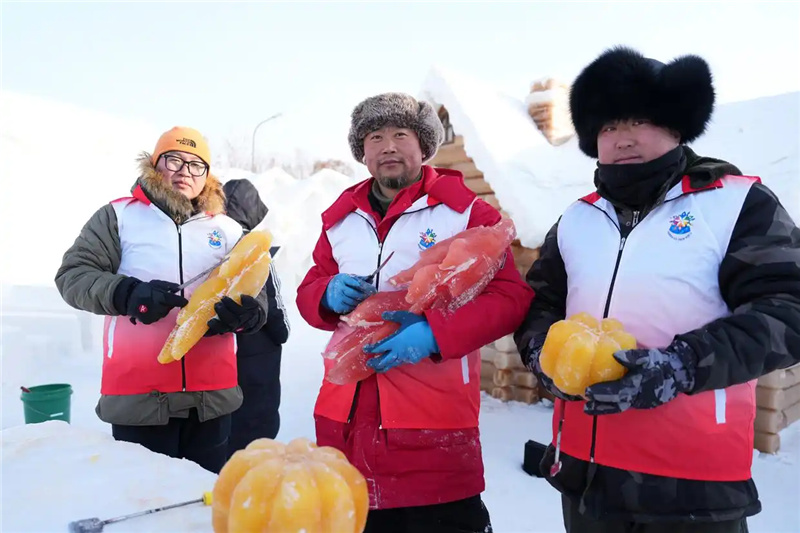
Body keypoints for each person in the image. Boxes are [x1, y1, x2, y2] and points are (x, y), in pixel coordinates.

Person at [514, 46, 800, 532]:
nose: (621, 138)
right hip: (585, 477)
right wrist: (544, 355)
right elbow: (537, 305)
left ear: (674, 125)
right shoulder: (577, 220)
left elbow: (788, 309)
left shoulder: (737, 204)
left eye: (636, 120)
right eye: (607, 127)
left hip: (693, 485)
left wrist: (682, 365)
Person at [296, 92, 534, 533]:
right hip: (343, 417)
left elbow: (510, 298)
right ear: (362, 152)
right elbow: (310, 287)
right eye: (375, 136)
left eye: (400, 134)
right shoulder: (340, 221)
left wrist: (435, 333)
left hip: (431, 422)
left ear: (424, 146)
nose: (388, 145)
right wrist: (325, 295)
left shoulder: (465, 212)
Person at [55, 127, 269, 474]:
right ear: (156, 165)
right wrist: (126, 293)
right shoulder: (119, 217)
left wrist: (248, 314)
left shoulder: (228, 229)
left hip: (211, 400)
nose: (185, 170)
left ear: (207, 176)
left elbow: (256, 292)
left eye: (196, 164)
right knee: (143, 507)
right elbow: (73, 276)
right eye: (175, 160)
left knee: (200, 510)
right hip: (138, 399)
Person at [222, 178, 290, 455]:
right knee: (255, 438)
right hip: (258, 362)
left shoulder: (207, 248)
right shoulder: (258, 252)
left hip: (219, 363)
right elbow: (280, 323)